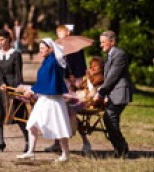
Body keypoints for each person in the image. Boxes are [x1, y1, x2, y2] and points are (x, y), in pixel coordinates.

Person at [16, 38, 72, 162]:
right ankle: (30, 152)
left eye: (42, 48)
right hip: (44, 99)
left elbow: (47, 81)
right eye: (39, 48)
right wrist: (33, 89)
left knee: (59, 127)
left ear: (50, 49)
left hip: (54, 101)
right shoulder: (47, 61)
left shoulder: (53, 62)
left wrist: (32, 91)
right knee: (32, 124)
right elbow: (43, 81)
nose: (40, 50)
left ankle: (66, 154)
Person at [44, 24, 87, 153]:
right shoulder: (58, 47)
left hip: (72, 84)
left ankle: (85, 142)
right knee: (57, 113)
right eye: (57, 32)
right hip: (61, 82)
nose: (58, 35)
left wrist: (75, 75)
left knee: (70, 112)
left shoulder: (76, 47)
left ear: (67, 32)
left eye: (60, 32)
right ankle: (57, 143)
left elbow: (81, 65)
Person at [93, 30, 133, 158]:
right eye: (101, 42)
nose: (101, 45)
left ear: (112, 42)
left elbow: (112, 77)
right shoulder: (111, 54)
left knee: (110, 118)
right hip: (114, 93)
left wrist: (101, 92)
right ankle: (119, 149)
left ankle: (122, 148)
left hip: (120, 93)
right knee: (110, 119)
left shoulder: (119, 55)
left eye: (103, 42)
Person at [0, 29, 29, 153]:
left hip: (14, 88)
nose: (0, 43)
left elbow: (19, 73)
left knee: (19, 116)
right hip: (0, 89)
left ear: (8, 39)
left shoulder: (16, 54)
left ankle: (28, 142)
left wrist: (19, 88)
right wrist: (2, 83)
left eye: (2, 40)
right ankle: (1, 142)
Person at [63, 56, 105, 154]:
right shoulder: (89, 77)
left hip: (90, 101)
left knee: (69, 108)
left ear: (101, 67)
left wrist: (89, 78)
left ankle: (73, 137)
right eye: (91, 66)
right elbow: (79, 87)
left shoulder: (100, 78)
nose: (92, 68)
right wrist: (74, 84)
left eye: (95, 66)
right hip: (81, 98)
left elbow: (93, 89)